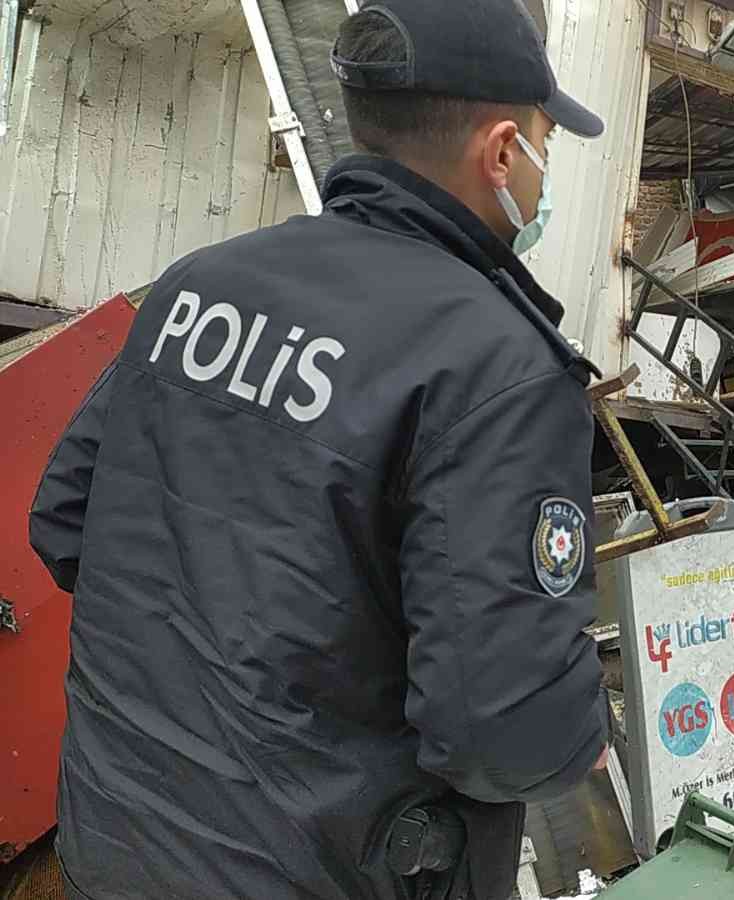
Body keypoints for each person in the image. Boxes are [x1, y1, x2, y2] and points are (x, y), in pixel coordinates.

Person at [29, 3, 609, 898]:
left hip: (118, 841)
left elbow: (67, 522)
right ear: (502, 151)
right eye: (542, 144)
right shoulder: (496, 369)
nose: (540, 176)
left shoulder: (200, 285)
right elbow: (507, 734)